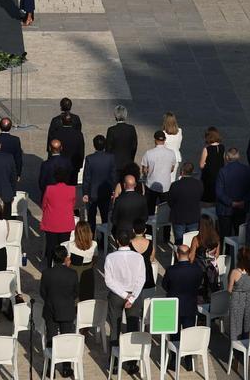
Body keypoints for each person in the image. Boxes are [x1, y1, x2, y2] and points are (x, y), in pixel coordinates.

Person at [103, 226, 147, 356]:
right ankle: (133, 361)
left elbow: (108, 281)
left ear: (117, 241)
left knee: (115, 329)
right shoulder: (138, 257)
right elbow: (141, 280)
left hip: (116, 296)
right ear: (130, 241)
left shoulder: (110, 257)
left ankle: (114, 363)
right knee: (133, 328)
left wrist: (124, 295)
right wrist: (131, 297)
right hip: (134, 294)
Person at [40, 245, 79, 366]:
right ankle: (66, 367)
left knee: (51, 338)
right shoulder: (72, 273)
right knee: (66, 339)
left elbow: (42, 292)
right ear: (65, 258)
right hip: (67, 310)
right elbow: (76, 293)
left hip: (51, 309)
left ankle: (50, 366)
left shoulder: (46, 273)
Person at [40, 167, 76, 267]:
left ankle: (50, 267)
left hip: (51, 222)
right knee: (64, 247)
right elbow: (73, 205)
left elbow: (44, 205)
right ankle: (64, 267)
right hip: (65, 223)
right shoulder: (72, 189)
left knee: (51, 247)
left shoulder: (49, 189)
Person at [163, 244, 203, 331]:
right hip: (190, 306)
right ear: (189, 254)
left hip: (174, 306)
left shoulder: (170, 270)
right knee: (189, 335)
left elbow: (165, 286)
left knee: (174, 336)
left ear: (177, 255)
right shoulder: (197, 269)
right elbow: (199, 284)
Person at [215, 148, 250, 238]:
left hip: (225, 210)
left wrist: (231, 203)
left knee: (225, 236)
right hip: (241, 208)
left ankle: (226, 251)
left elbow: (219, 192)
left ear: (227, 157)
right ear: (239, 156)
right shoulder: (247, 170)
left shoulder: (222, 171)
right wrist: (243, 201)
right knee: (240, 235)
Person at [82, 135, 115, 230]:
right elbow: (113, 176)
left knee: (91, 219)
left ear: (94, 145)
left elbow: (87, 177)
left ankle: (91, 239)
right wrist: (113, 190)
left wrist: (85, 193)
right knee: (105, 218)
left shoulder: (90, 158)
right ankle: (104, 240)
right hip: (106, 192)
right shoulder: (111, 158)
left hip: (92, 193)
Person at [228, 246, 250, 344]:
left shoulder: (235, 272)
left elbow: (229, 289)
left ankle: (236, 352)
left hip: (237, 300)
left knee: (236, 326)